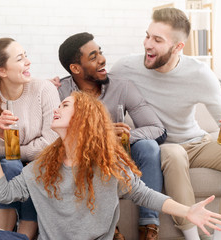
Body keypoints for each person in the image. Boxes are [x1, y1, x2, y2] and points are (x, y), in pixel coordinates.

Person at [0, 91, 221, 240]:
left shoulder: (107, 167)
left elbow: (143, 193)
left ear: (83, 118)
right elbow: (4, 194)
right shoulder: (42, 168)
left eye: (65, 105)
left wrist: (187, 211)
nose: (56, 110)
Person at [110, 7, 221, 240]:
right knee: (175, 155)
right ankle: (191, 236)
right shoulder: (126, 68)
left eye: (157, 40)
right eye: (147, 36)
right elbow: (99, 91)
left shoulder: (199, 73)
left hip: (198, 142)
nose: (147, 44)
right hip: (165, 146)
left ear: (178, 47)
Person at [55, 32, 166, 239]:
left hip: (120, 157)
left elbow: (157, 128)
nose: (102, 59)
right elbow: (55, 137)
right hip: (84, 158)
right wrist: (100, 135)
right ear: (75, 68)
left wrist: (126, 136)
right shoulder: (59, 92)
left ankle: (149, 227)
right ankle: (109, 230)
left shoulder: (122, 86)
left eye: (100, 53)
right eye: (93, 56)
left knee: (149, 147)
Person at [0, 37, 60, 239]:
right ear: (2, 71)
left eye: (25, 56)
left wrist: (15, 149)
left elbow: (51, 143)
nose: (28, 62)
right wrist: (0, 137)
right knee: (12, 166)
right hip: (6, 166)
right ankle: (5, 237)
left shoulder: (44, 90)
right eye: (20, 59)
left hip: (39, 165)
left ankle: (19, 237)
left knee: (30, 169)